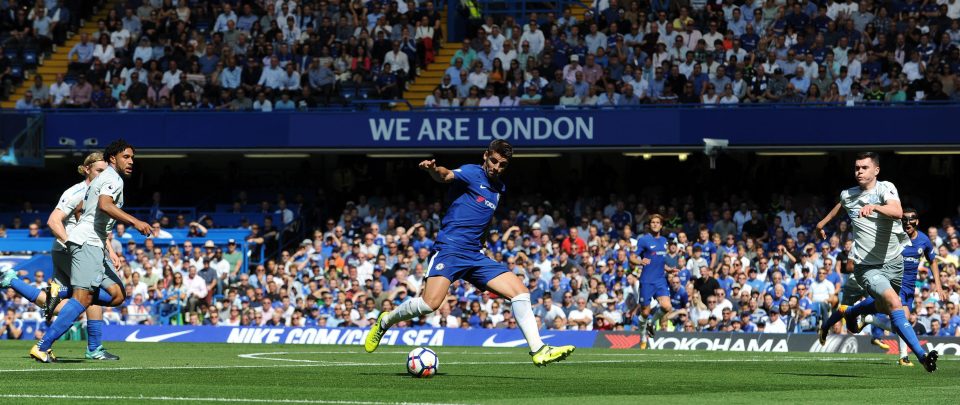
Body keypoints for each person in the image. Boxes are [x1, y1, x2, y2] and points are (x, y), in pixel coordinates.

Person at [365, 140, 575, 366]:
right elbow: (446, 176)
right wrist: (433, 170)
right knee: (429, 304)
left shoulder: (498, 189)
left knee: (521, 293)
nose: (496, 167)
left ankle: (539, 350)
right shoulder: (472, 172)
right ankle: (386, 320)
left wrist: (483, 245)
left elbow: (483, 222)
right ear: (486, 156)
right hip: (450, 249)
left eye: (502, 164)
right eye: (493, 161)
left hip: (475, 255)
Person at [814, 152, 937, 372]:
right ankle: (922, 356)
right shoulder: (848, 194)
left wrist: (876, 207)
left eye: (864, 168)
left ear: (876, 170)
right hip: (867, 266)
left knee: (883, 305)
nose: (859, 171)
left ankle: (850, 312)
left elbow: (897, 211)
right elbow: (841, 205)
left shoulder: (885, 188)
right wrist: (821, 224)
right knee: (894, 303)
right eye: (856, 168)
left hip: (894, 263)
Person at [31, 139, 152, 363]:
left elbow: (86, 209)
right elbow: (105, 205)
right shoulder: (112, 178)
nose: (131, 161)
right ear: (112, 158)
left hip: (93, 243)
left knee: (117, 295)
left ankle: (62, 293)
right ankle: (42, 345)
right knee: (84, 298)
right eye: (126, 157)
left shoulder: (103, 178)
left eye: (132, 157)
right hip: (87, 243)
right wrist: (135, 221)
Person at [0, 152, 118, 360]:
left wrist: (109, 248)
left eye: (105, 171)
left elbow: (94, 226)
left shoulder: (96, 192)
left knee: (59, 304)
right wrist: (72, 245)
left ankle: (14, 282)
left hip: (79, 248)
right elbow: (54, 221)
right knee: (92, 294)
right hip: (73, 250)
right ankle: (93, 348)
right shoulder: (77, 191)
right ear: (87, 169)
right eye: (99, 170)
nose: (103, 175)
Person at [862, 208, 941, 366]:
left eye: (911, 219)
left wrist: (938, 285)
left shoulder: (924, 240)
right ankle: (904, 357)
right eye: (904, 219)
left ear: (917, 222)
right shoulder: (895, 237)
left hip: (909, 289)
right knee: (903, 321)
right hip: (895, 285)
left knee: (900, 324)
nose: (908, 222)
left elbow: (932, 261)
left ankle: (872, 320)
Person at [629, 214, 673, 349]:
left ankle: (652, 324)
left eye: (657, 222)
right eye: (652, 222)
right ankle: (642, 336)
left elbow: (659, 261)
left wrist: (668, 269)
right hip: (647, 280)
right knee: (645, 312)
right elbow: (632, 257)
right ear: (649, 225)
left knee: (667, 307)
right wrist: (640, 261)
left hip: (660, 279)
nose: (655, 224)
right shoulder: (643, 240)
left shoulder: (665, 240)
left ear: (661, 225)